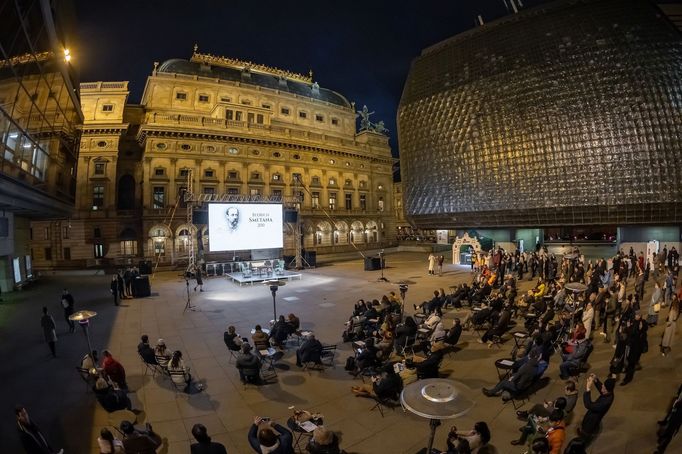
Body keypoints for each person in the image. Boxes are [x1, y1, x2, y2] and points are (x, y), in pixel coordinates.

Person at [579, 374, 615, 444]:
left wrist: (588, 389)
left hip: (593, 418)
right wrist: (596, 380)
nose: (602, 388)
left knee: (587, 429)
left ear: (608, 390)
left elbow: (588, 405)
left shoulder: (606, 402)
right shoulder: (609, 392)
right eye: (603, 386)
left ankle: (583, 441)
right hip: (593, 413)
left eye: (604, 388)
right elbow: (601, 388)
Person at [655, 385, 682, 453]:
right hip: (679, 401)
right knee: (670, 415)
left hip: (680, 411)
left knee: (672, 428)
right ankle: (664, 432)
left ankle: (662, 448)